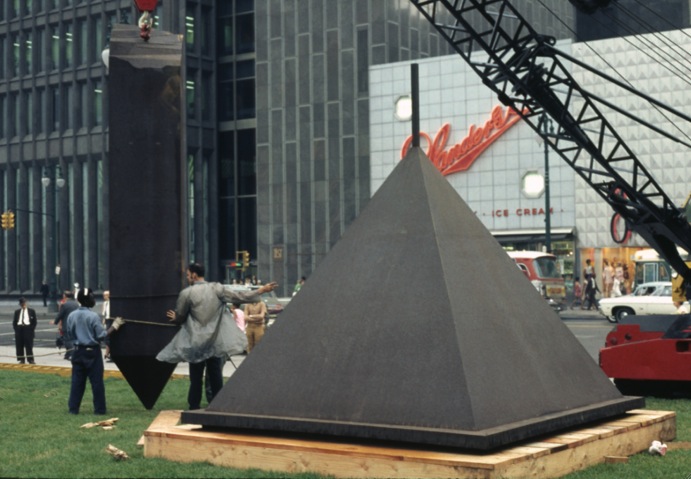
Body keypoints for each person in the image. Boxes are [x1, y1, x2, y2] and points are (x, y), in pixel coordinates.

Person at [156, 262, 278, 410]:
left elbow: (180, 317)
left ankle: (194, 407)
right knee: (215, 376)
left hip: (196, 342)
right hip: (215, 341)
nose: (187, 278)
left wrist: (175, 317)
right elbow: (239, 296)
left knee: (196, 378)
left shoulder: (187, 293)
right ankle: (219, 406)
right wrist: (261, 290)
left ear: (194, 275)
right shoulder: (217, 288)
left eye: (188, 275)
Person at [64, 288, 124, 414]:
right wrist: (115, 326)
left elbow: (69, 334)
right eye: (92, 297)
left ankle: (73, 409)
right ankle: (99, 410)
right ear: (87, 300)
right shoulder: (93, 316)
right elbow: (101, 336)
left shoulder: (72, 316)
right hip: (92, 353)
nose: (94, 299)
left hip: (77, 351)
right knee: (96, 383)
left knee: (77, 382)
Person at [54, 291, 80, 360]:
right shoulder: (76, 304)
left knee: (68, 340)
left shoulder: (65, 305)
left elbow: (60, 315)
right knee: (73, 339)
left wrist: (55, 322)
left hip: (66, 324)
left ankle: (71, 354)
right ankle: (68, 354)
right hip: (75, 324)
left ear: (65, 296)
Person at [13, 297, 37, 364]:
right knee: (19, 345)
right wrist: (16, 329)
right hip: (19, 329)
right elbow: (14, 322)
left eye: (24, 303)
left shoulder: (31, 311)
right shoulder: (17, 312)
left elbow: (34, 322)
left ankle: (30, 359)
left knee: (29, 345)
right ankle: (21, 359)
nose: (24, 304)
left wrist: (31, 328)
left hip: (28, 329)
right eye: (22, 303)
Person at [102, 291, 112, 361]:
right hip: (107, 320)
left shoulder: (112, 303)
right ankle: (107, 353)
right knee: (106, 337)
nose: (104, 297)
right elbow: (104, 313)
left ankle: (108, 353)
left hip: (111, 320)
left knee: (108, 337)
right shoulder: (105, 303)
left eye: (105, 295)